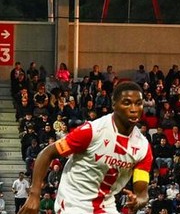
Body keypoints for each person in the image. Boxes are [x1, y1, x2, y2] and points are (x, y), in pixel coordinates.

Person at [21, 80, 152, 214]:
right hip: (73, 202)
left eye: (138, 103)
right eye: (127, 103)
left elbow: (142, 192)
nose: (134, 109)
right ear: (114, 105)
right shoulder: (92, 131)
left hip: (106, 206)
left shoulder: (143, 147)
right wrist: (34, 194)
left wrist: (139, 200)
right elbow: (47, 153)